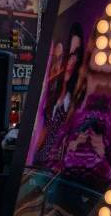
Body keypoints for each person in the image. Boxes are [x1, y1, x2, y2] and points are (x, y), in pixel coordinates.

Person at [34, 24, 86, 169]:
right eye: (67, 55)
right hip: (37, 165)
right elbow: (41, 134)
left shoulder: (78, 98)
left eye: (75, 54)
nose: (71, 61)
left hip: (59, 170)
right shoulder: (49, 93)